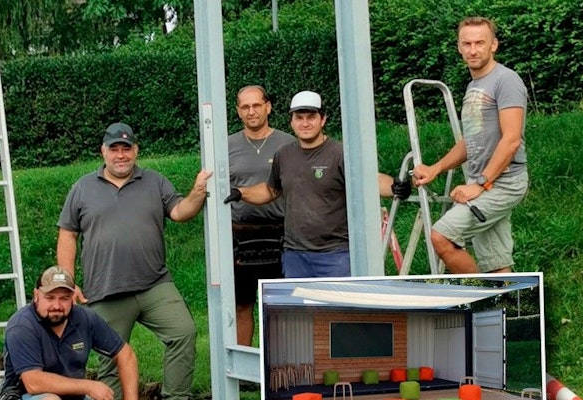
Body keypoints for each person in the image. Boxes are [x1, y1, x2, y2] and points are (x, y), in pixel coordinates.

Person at [56, 122, 211, 400]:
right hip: (106, 289)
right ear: (103, 152)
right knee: (111, 358)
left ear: (136, 151)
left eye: (127, 148)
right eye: (114, 148)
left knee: (183, 332)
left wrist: (197, 193)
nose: (121, 154)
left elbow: (181, 212)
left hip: (154, 284)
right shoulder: (83, 188)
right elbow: (67, 234)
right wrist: (66, 282)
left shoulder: (154, 181)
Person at [224, 90, 412, 278]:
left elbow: (367, 180)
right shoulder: (284, 154)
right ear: (292, 121)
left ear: (323, 120)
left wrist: (394, 186)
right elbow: (270, 190)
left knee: (334, 307)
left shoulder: (339, 153)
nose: (305, 123)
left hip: (336, 255)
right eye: (299, 118)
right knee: (298, 307)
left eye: (311, 117)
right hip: (294, 255)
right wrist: (241, 193)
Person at [3, 266, 144, 400]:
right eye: (49, 297)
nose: (57, 305)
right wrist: (88, 386)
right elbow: (33, 381)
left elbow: (126, 355)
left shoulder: (85, 319)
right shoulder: (22, 325)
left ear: (73, 298)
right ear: (36, 295)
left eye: (64, 298)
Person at [411, 16, 529, 274]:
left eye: (480, 43)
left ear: (493, 45)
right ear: (459, 47)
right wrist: (436, 168)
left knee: (442, 237)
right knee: (497, 265)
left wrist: (480, 185)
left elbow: (511, 140)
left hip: (503, 183)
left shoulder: (505, 80)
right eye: (467, 43)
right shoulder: (475, 85)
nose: (473, 50)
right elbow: (471, 140)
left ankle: (479, 301)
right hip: (485, 181)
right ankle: (504, 309)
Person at [227, 85, 296, 346]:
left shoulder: (287, 143)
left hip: (279, 233)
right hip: (239, 235)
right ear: (238, 111)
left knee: (278, 304)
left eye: (256, 105)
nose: (251, 111)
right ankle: (243, 367)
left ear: (268, 107)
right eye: (245, 107)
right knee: (242, 304)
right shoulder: (226, 145)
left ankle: (277, 366)